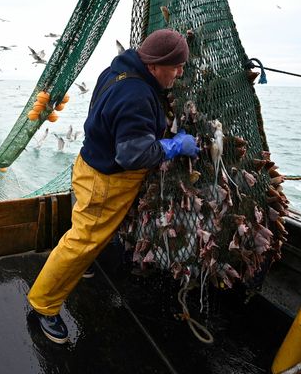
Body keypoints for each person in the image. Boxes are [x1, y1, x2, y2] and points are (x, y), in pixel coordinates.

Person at [27, 29, 200, 344]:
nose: (180, 72)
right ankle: (44, 304)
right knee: (80, 242)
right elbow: (132, 154)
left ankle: (87, 263)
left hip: (89, 166)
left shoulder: (118, 70)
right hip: (106, 184)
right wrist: (174, 146)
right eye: (175, 66)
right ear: (154, 65)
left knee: (87, 233)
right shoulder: (136, 96)